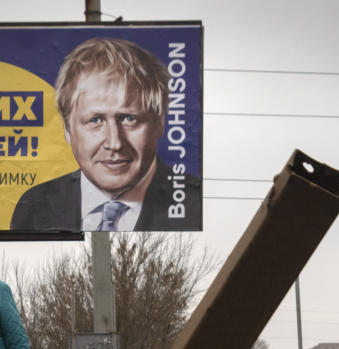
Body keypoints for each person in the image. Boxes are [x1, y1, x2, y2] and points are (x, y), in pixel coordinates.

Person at [10, 37, 200, 232]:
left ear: (160, 123)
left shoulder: (195, 205)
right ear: (67, 129)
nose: (114, 143)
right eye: (95, 120)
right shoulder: (33, 208)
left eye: (129, 118)